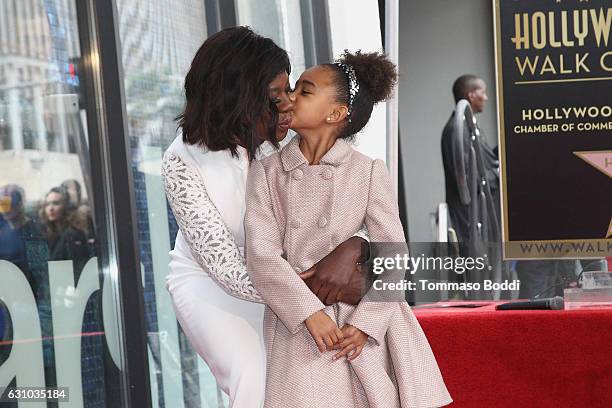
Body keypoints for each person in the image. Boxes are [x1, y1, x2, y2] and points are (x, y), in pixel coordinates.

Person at [161, 27, 370, 407]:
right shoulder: (181, 161)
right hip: (216, 286)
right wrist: (311, 294)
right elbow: (226, 268)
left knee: (335, 368)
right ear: (237, 95)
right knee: (257, 381)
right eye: (276, 95)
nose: (289, 102)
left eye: (290, 89)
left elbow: (345, 211)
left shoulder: (288, 140)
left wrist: (354, 252)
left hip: (294, 275)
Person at [245, 51, 451, 407]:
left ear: (335, 113)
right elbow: (261, 255)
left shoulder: (367, 171)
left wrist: (367, 325)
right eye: (293, 88)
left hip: (356, 328)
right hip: (299, 327)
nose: (290, 98)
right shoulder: (266, 172)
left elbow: (393, 254)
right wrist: (308, 313)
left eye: (305, 92)